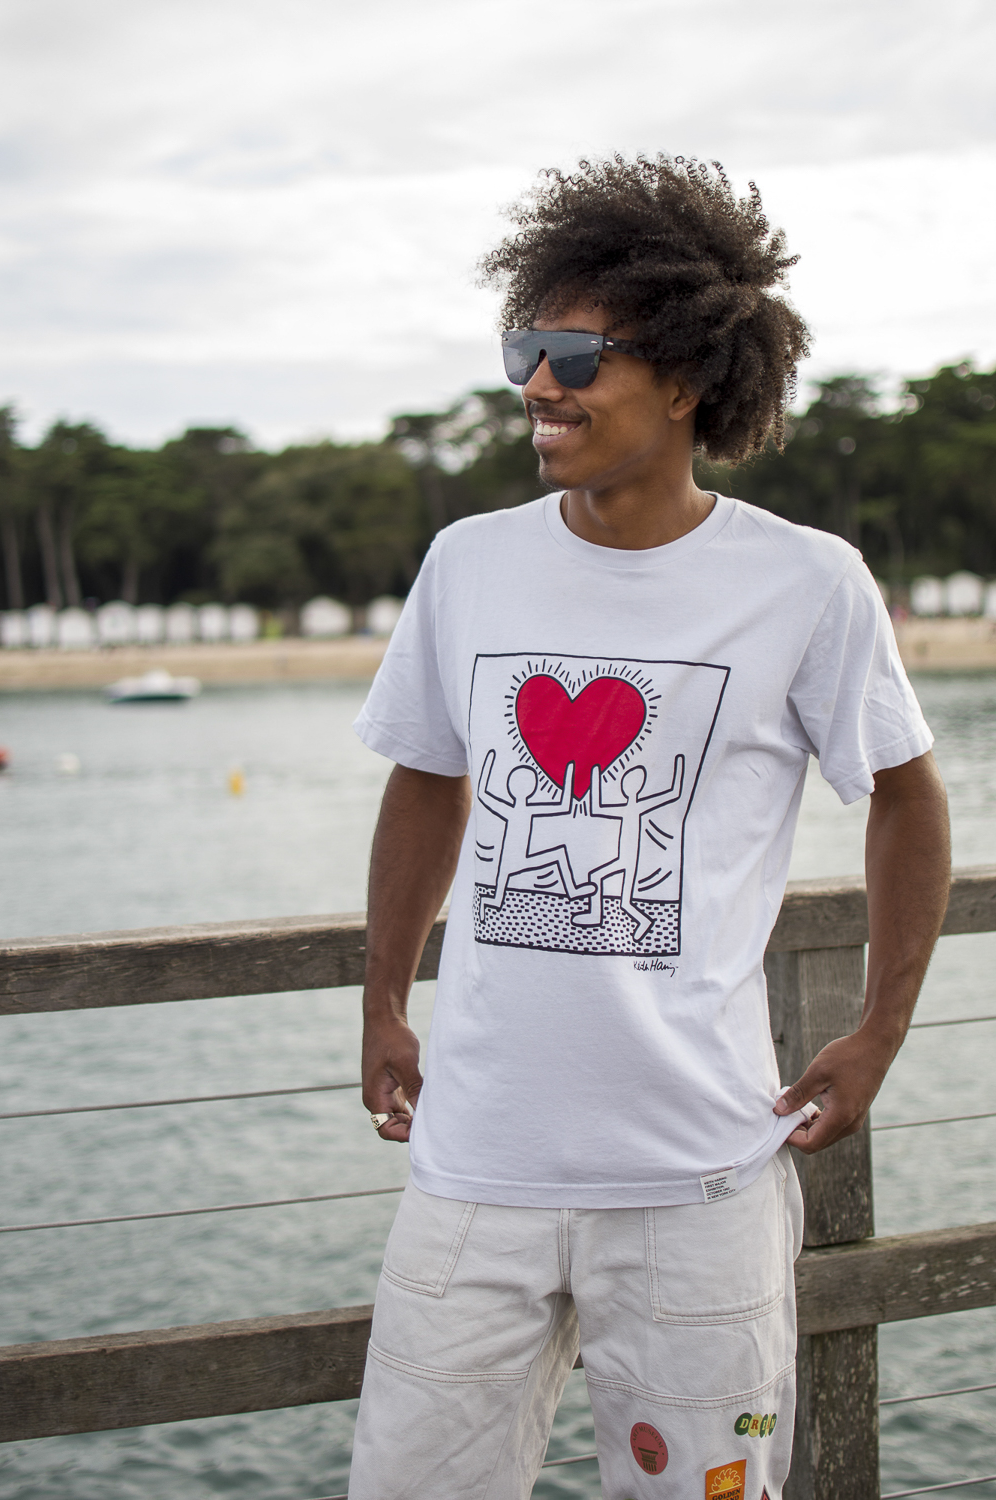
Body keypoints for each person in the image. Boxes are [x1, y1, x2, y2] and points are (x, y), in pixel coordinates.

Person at [347, 156, 950, 1500]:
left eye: (574, 356)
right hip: (472, 1171)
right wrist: (384, 999)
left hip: (698, 1185)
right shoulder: (468, 562)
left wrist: (880, 1030)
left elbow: (907, 797)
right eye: (525, 348)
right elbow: (428, 779)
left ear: (684, 379)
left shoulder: (808, 584)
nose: (537, 384)